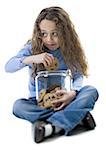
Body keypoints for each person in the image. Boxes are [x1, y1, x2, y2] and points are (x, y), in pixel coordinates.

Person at [5, 6, 99, 143]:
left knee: (91, 91)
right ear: (39, 33)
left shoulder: (70, 50)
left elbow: (78, 76)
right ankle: (77, 116)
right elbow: (8, 67)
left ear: (65, 32)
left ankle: (52, 127)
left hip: (66, 100)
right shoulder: (32, 48)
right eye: (44, 34)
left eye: (55, 33)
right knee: (18, 106)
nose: (49, 39)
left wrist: (73, 93)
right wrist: (31, 58)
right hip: (38, 102)